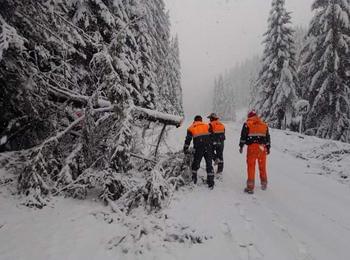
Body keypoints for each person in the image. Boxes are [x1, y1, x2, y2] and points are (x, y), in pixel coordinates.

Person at [239, 110, 271, 194]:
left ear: (249, 117)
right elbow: (267, 138)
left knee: (251, 166)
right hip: (262, 148)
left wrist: (241, 146)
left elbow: (243, 136)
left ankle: (250, 187)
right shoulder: (264, 125)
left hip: (252, 148)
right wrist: (268, 147)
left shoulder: (247, 124)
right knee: (262, 166)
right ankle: (264, 183)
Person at [183, 115, 214, 189]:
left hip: (198, 148)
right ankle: (211, 182)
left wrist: (185, 149)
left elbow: (188, 140)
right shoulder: (207, 126)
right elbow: (212, 136)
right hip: (208, 147)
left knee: (195, 164)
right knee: (209, 164)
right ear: (201, 120)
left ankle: (194, 180)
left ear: (194, 120)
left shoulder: (191, 128)